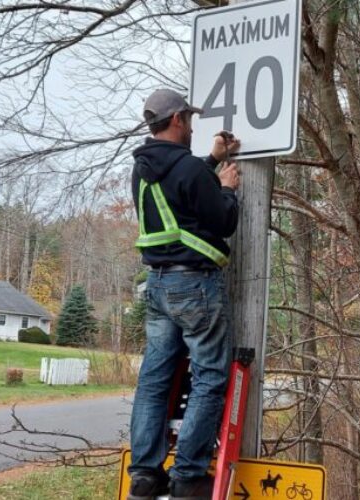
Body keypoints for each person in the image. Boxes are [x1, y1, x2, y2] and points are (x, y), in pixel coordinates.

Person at [128, 88, 241, 500]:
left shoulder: (142, 170)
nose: (193, 125)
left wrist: (210, 162)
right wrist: (226, 187)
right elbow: (222, 219)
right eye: (190, 119)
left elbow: (179, 195)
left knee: (155, 379)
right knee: (210, 376)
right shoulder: (189, 170)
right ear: (177, 119)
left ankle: (144, 475)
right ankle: (189, 475)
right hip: (194, 285)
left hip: (157, 286)